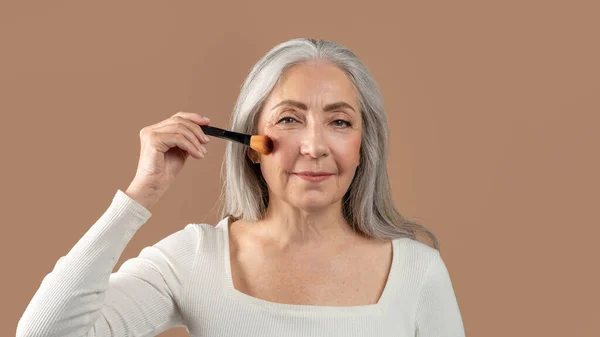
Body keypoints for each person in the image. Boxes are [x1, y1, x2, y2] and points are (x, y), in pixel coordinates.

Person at [16, 38, 465, 337]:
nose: (313, 147)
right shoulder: (194, 259)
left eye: (340, 122)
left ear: (364, 145)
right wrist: (139, 196)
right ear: (252, 145)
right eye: (289, 119)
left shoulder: (417, 272)